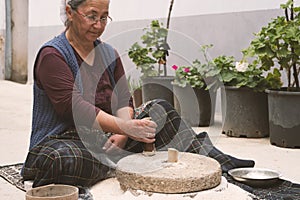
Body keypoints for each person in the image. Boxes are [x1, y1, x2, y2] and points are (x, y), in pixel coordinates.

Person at [21, 0, 255, 199]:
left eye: (104, 17)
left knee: (160, 110)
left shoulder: (108, 53)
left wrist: (125, 132)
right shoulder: (53, 54)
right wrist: (125, 127)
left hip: (109, 139)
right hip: (65, 140)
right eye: (91, 16)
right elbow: (73, 108)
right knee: (61, 160)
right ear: (70, 12)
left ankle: (221, 163)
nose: (98, 25)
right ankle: (123, 163)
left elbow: (124, 99)